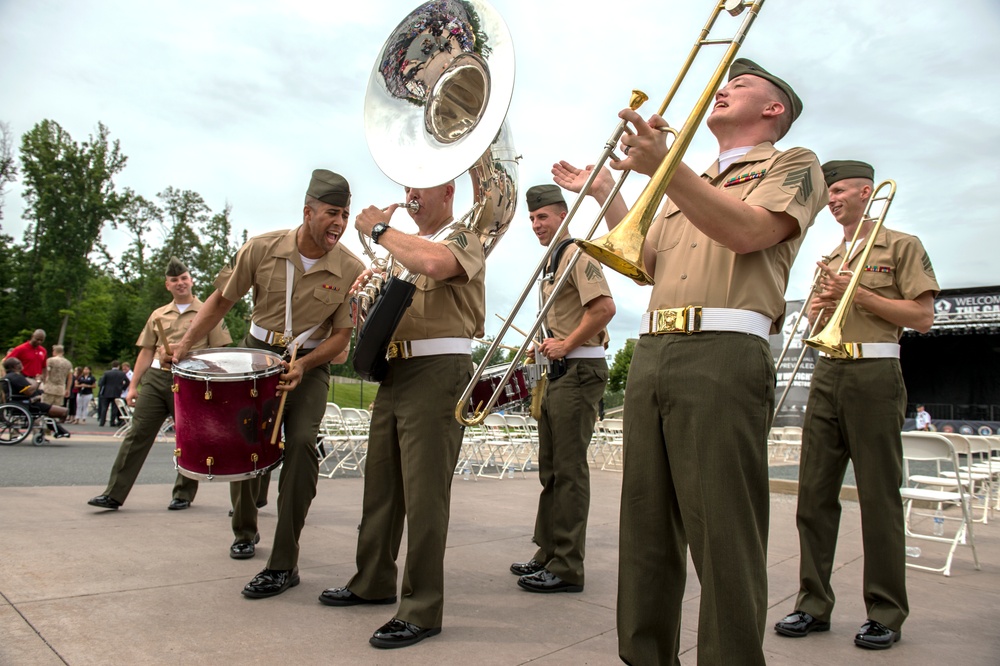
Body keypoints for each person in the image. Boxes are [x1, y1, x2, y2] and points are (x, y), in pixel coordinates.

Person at [553, 58, 827, 664]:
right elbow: (644, 261)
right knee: (646, 528)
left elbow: (750, 232)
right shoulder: (694, 174)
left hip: (724, 352)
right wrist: (607, 190)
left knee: (723, 531)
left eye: (741, 85)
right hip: (654, 349)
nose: (723, 89)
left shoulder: (794, 162)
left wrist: (666, 169)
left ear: (774, 109)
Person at [774, 160, 939, 650]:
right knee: (813, 496)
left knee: (878, 498)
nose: (832, 199)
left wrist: (856, 293)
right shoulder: (831, 254)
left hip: (874, 373)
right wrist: (821, 308)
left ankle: (885, 612)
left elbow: (923, 317)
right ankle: (812, 604)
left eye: (841, 189)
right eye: (829, 192)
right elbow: (816, 321)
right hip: (829, 370)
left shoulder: (901, 245)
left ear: (868, 191)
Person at [171, 169, 363, 590]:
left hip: (308, 366)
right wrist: (185, 343)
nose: (340, 223)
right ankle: (244, 530)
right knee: (246, 444)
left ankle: (283, 561)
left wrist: (306, 365)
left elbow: (343, 339)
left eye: (346, 215)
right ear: (308, 211)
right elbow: (222, 300)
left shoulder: (351, 268)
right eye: (332, 213)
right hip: (255, 359)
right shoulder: (260, 248)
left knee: (300, 447)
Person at [319, 180, 484, 650]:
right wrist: (365, 295)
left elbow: (433, 263)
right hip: (396, 368)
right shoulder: (399, 249)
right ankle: (372, 580)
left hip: (439, 369)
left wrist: (378, 229)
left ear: (448, 191)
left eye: (422, 184)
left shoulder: (464, 234)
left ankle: (421, 608)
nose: (411, 192)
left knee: (426, 495)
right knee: (382, 484)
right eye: (407, 183)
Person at [509, 184, 615, 594]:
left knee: (569, 473)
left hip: (580, 370)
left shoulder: (577, 254)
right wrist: (552, 342)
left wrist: (567, 343)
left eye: (544, 217)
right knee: (552, 470)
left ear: (562, 216)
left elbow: (604, 309)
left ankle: (568, 566)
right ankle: (549, 551)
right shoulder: (553, 262)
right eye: (533, 219)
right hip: (559, 371)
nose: (537, 225)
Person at [87, 257, 232, 512]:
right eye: (174, 280)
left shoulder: (208, 312)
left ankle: (183, 494)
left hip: (191, 381)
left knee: (188, 439)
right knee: (137, 434)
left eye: (184, 278)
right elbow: (145, 352)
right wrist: (133, 386)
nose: (180, 283)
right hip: (156, 380)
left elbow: (220, 351)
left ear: (191, 280)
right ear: (167, 285)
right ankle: (113, 494)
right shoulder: (158, 315)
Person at [2, 357, 71, 438]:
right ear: (13, 366)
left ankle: (59, 431)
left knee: (48, 413)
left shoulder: (9, 376)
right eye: (19, 363)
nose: (21, 364)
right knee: (64, 411)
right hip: (24, 404)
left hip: (19, 402)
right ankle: (58, 430)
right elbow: (29, 391)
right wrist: (38, 381)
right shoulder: (16, 377)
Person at [97, 360, 129, 427]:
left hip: (106, 392)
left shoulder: (107, 373)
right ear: (118, 366)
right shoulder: (122, 374)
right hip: (116, 392)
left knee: (104, 408)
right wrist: (122, 388)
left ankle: (102, 422)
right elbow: (127, 382)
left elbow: (101, 383)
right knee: (114, 408)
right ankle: (112, 422)